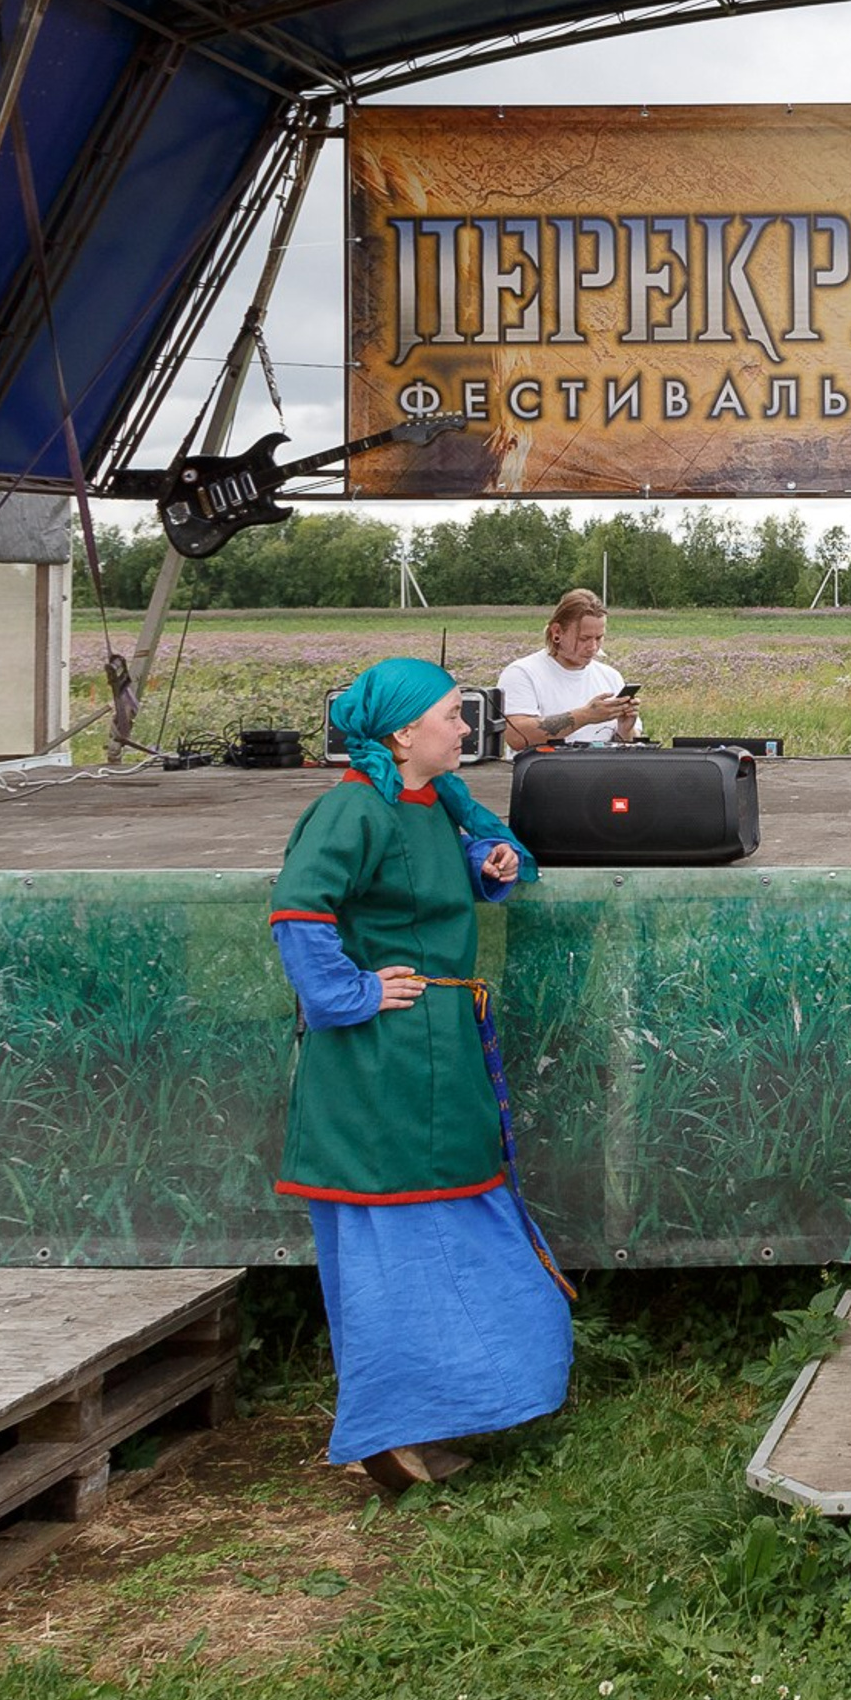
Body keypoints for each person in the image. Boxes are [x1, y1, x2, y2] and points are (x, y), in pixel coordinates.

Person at [270, 659, 572, 1494]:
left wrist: (491, 868)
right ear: (404, 733)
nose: (466, 727)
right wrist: (353, 992)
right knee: (392, 1242)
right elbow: (299, 912)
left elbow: (428, 886)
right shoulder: (348, 811)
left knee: (457, 1224)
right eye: (451, 715)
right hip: (378, 1064)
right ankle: (392, 1431)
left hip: (440, 1049)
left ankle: (434, 1413)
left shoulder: (436, 804)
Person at [499, 588, 639, 751]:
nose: (592, 647)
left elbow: (627, 745)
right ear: (557, 632)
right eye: (584, 639)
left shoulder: (611, 676)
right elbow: (516, 736)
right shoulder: (522, 673)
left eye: (599, 638)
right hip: (544, 773)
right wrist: (585, 716)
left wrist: (625, 728)